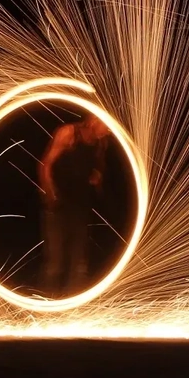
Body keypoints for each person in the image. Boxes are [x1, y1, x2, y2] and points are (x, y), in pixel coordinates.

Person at [38, 115, 112, 297]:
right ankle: (46, 305)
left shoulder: (101, 142)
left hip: (80, 207)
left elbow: (98, 166)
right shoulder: (69, 134)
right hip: (58, 205)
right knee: (55, 264)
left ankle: (72, 310)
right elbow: (46, 164)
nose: (109, 130)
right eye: (106, 126)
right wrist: (50, 193)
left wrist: (97, 176)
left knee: (79, 264)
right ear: (94, 121)